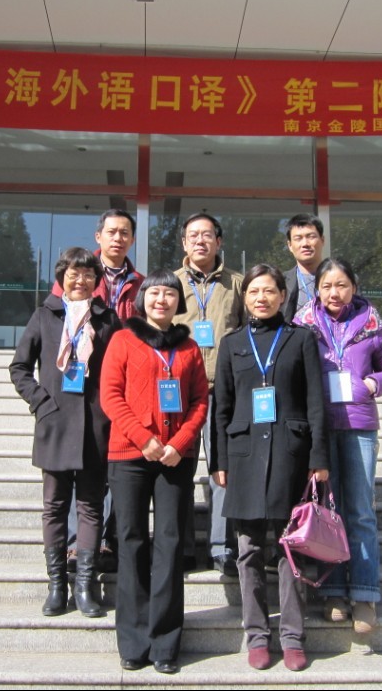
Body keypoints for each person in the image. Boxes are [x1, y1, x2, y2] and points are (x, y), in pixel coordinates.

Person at [212, 263, 328, 672]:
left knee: (290, 550)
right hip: (244, 457)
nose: (261, 298)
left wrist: (319, 457)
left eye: (269, 291)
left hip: (290, 456)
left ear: (282, 296)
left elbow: (316, 402)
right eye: (253, 292)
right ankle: (257, 635)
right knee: (248, 550)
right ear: (245, 299)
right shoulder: (232, 343)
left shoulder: (301, 339)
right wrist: (219, 461)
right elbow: (222, 407)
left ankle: (293, 636)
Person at [100, 269, 209, 675]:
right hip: (129, 454)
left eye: (169, 294)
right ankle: (133, 641)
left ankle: (165, 642)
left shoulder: (190, 348)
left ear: (179, 302)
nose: (161, 300)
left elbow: (200, 401)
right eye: (154, 293)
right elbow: (111, 395)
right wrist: (143, 438)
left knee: (169, 543)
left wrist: (180, 443)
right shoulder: (122, 340)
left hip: (175, 459)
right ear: (142, 299)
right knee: (131, 542)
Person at [9, 247, 121, 618]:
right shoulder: (45, 315)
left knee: (90, 506)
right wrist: (41, 402)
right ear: (62, 278)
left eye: (88, 274)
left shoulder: (108, 320)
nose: (81, 280)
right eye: (74, 273)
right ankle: (56, 584)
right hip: (54, 424)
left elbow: (122, 369)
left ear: (96, 281)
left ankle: (86, 585)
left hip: (95, 427)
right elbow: (19, 367)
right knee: (54, 507)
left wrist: (110, 410)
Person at [294, 257, 382, 634]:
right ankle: (334, 592)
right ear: (317, 290)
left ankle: (365, 593)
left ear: (354, 287)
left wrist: (372, 384)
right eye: (326, 286)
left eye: (341, 285)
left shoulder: (370, 323)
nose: (334, 293)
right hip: (321, 427)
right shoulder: (304, 324)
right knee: (329, 510)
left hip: (359, 427)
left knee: (360, 511)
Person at [53, 208, 144, 574]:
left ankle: (108, 539)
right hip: (83, 387)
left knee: (116, 463)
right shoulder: (78, 273)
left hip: (124, 385)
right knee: (83, 465)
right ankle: (78, 543)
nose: (118, 238)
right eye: (111, 231)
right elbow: (57, 321)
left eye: (124, 232)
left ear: (132, 239)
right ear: (98, 237)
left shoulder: (140, 283)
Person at [172, 212, 244, 576]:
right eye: (193, 235)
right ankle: (182, 548)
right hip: (178, 392)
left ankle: (221, 547)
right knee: (177, 471)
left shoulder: (238, 284)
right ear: (184, 242)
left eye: (207, 235)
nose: (200, 241)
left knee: (221, 470)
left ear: (219, 241)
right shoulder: (170, 283)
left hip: (222, 391)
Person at [282, 213, 326, 323]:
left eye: (311, 237)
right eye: (298, 238)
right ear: (290, 245)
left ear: (322, 240)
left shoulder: (344, 280)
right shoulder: (281, 282)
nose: (305, 244)